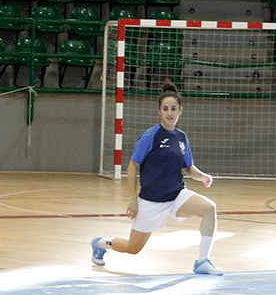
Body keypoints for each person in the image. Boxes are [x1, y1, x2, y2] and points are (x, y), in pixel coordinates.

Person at [91, 81, 223, 275]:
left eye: (174, 109)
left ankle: (202, 262)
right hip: (150, 201)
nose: (170, 113)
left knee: (209, 209)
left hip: (176, 195)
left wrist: (201, 176)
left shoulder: (181, 137)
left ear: (180, 111)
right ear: (159, 111)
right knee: (133, 248)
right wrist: (132, 200)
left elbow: (187, 167)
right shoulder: (150, 135)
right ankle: (101, 243)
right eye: (165, 109)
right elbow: (132, 165)